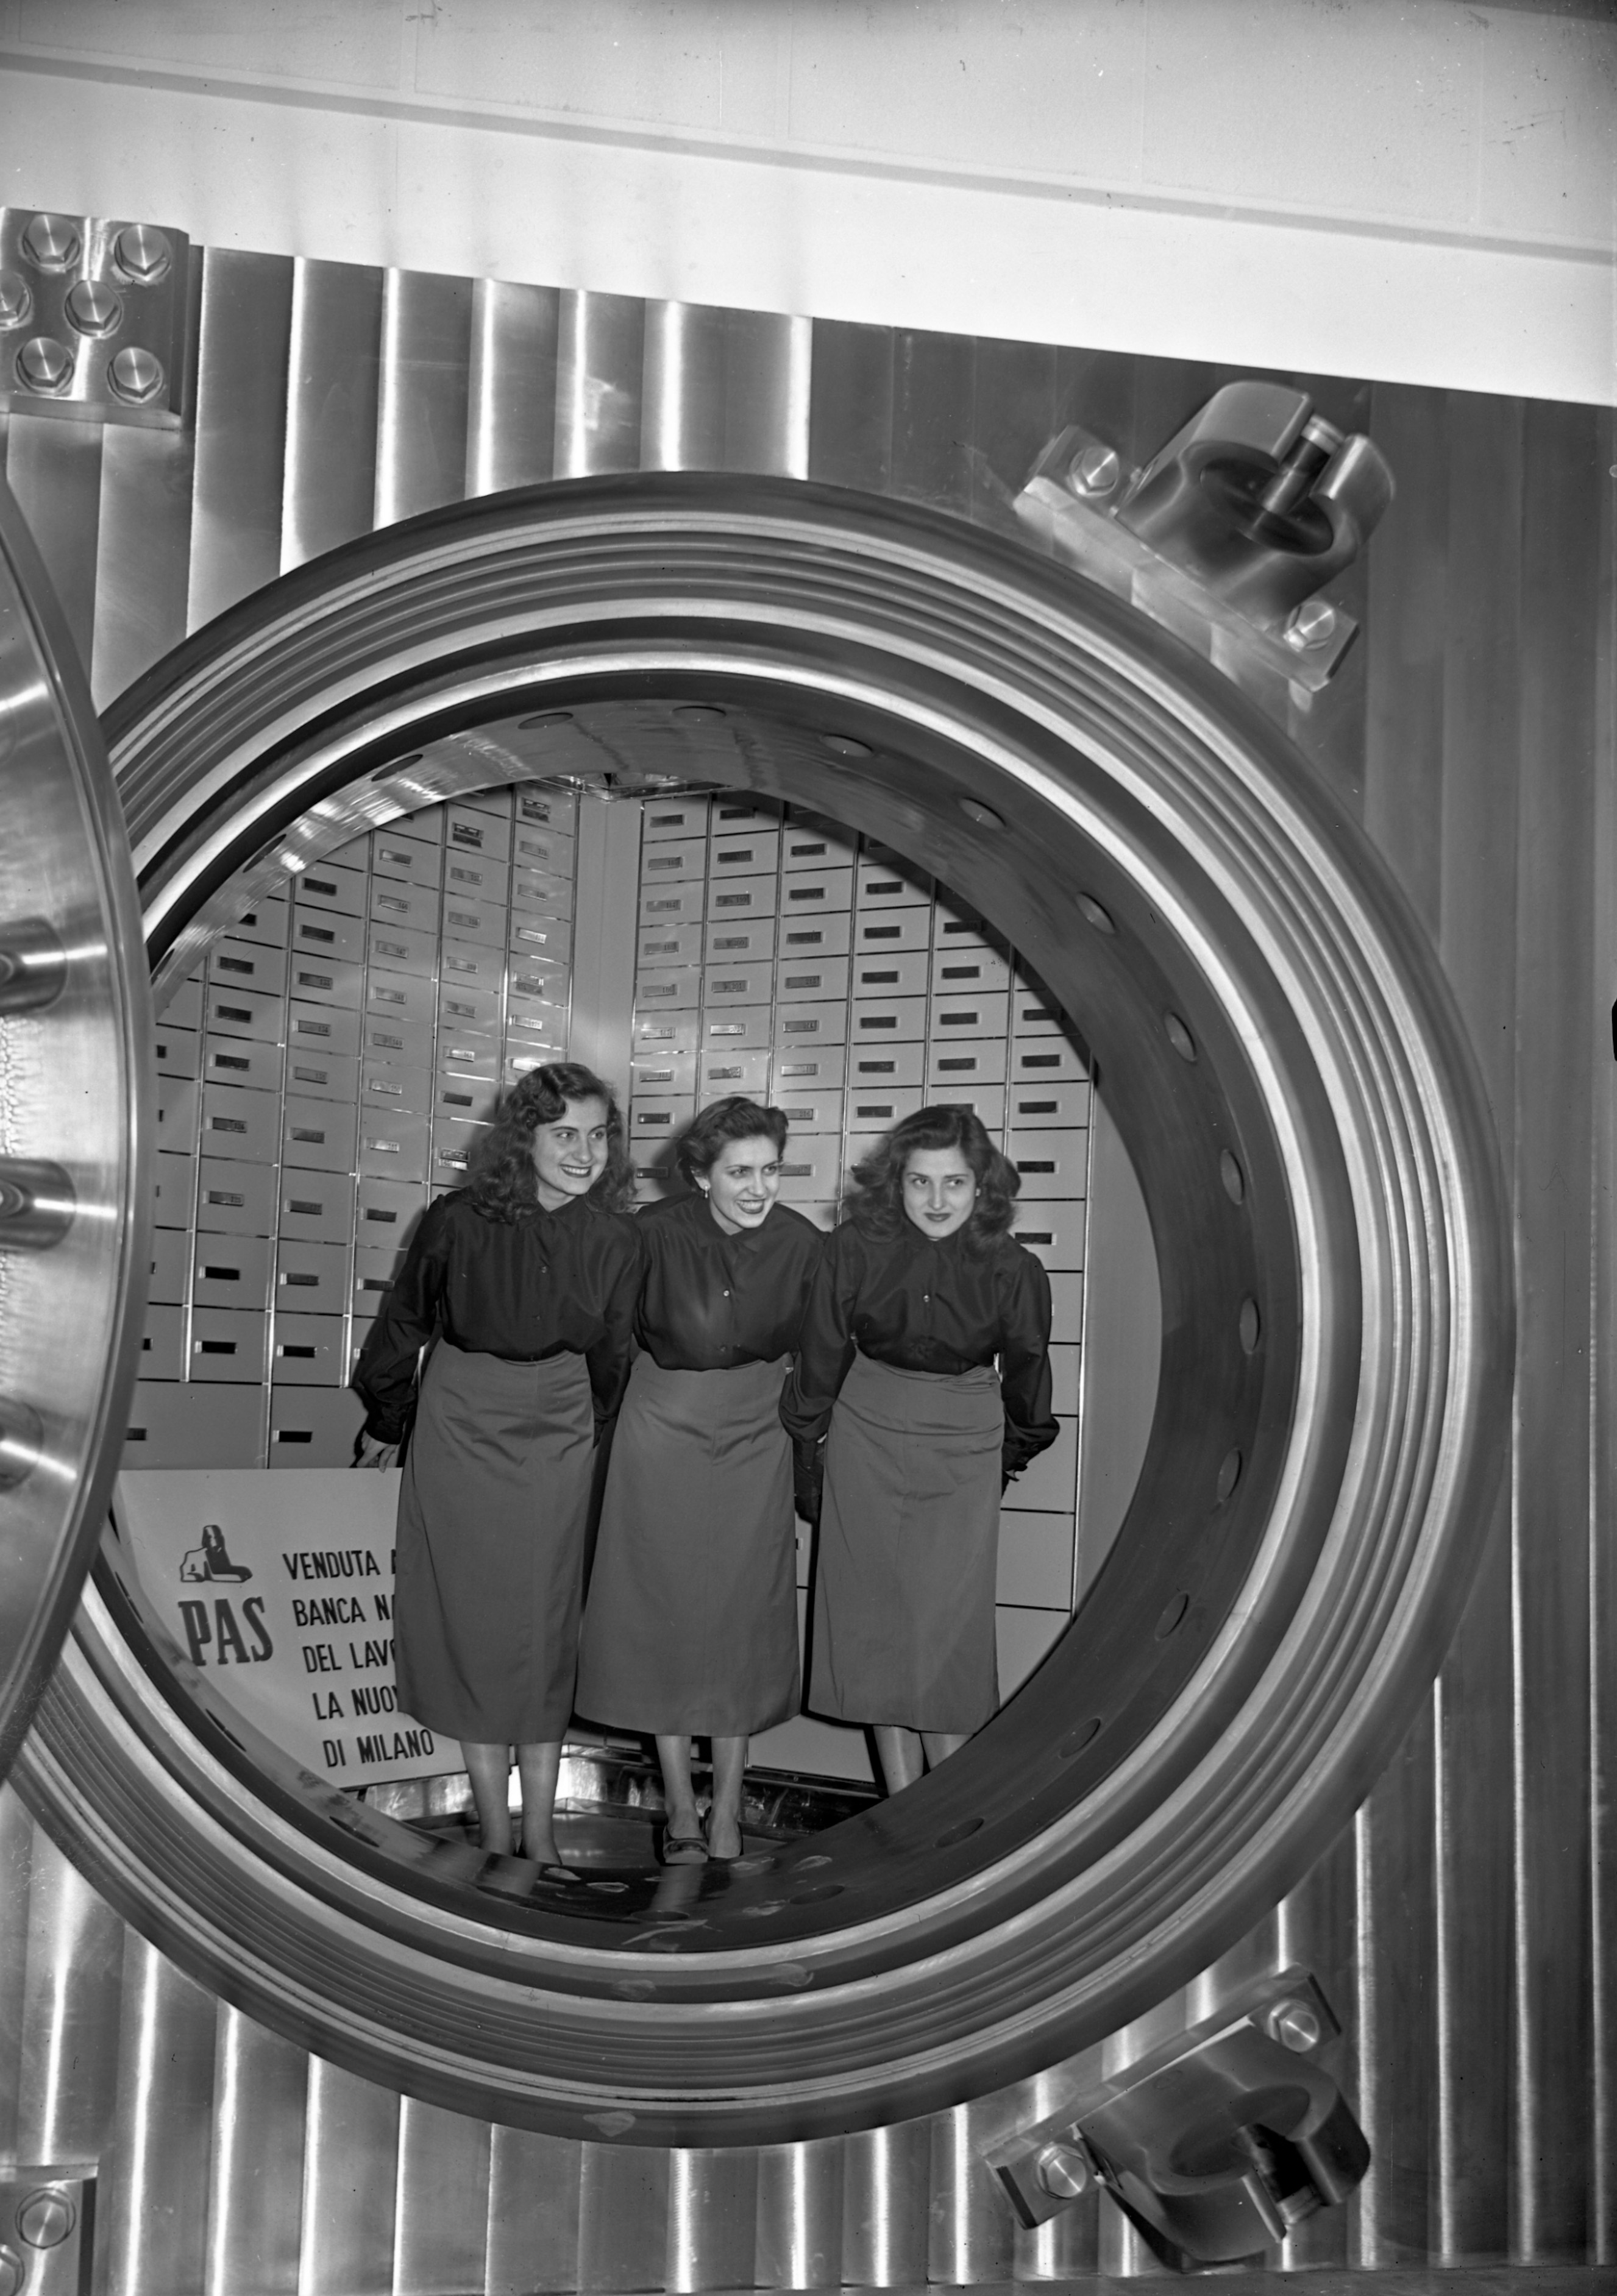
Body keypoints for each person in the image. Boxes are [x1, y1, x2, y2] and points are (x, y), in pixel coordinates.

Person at [351, 1063, 639, 1876]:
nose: (584, 1153)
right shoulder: (456, 1220)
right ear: (524, 1140)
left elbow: (613, 1356)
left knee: (545, 1625)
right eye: (564, 1134)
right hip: (463, 1419)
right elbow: (404, 1323)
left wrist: (595, 1445)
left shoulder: (618, 1238)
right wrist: (388, 1419)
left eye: (597, 1135)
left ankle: (540, 1833)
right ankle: (493, 1830)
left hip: (561, 1421)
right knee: (475, 1621)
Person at [575, 1097, 824, 1863]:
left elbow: (821, 1354)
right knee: (664, 1610)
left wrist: (803, 1441)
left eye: (770, 1171)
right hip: (662, 1425)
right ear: (701, 1175)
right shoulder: (649, 1234)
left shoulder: (802, 1243)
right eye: (739, 1173)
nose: (758, 1188)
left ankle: (728, 1812)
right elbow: (611, 1338)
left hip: (757, 1429)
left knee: (742, 1615)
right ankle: (682, 1809)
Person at [782, 1104, 1057, 1795]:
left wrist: (1001, 1460)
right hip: (867, 1427)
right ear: (895, 1183)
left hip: (963, 1436)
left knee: (943, 1639)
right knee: (876, 1628)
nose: (937, 1201)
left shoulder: (1014, 1268)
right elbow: (820, 1355)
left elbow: (1028, 1379)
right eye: (919, 1182)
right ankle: (901, 1807)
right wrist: (810, 1457)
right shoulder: (853, 1247)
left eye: (954, 1183)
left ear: (981, 1187)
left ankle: (950, 1813)